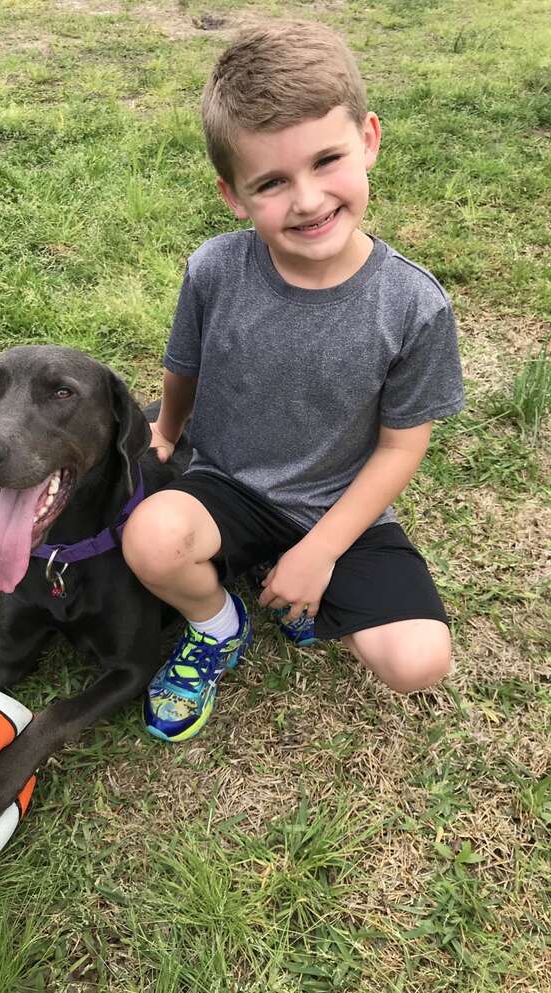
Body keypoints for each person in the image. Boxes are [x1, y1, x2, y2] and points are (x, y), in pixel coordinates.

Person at [121, 20, 465, 743]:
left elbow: (402, 447)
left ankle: (295, 570)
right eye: (272, 182)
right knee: (150, 541)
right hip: (226, 484)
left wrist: (321, 548)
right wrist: (166, 431)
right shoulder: (214, 269)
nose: (307, 200)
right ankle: (218, 621)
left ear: (369, 138)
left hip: (335, 500)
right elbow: (183, 366)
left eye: (327, 160)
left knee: (418, 658)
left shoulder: (414, 305)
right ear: (233, 194)